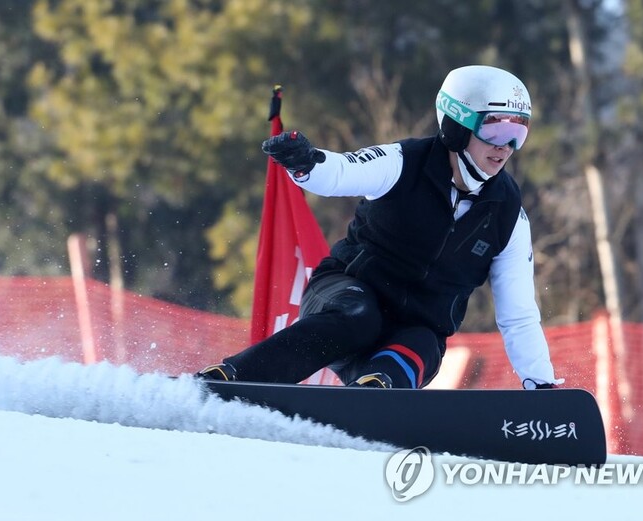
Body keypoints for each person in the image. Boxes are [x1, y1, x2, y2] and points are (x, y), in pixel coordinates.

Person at [198, 64, 562, 390]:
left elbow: (518, 315)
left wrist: (542, 387)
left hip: (414, 331)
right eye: (496, 131)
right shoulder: (404, 163)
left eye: (518, 134)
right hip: (346, 299)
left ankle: (375, 395)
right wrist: (306, 164)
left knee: (422, 345)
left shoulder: (508, 215)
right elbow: (342, 171)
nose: (506, 148)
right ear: (455, 125)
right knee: (360, 317)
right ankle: (232, 379)